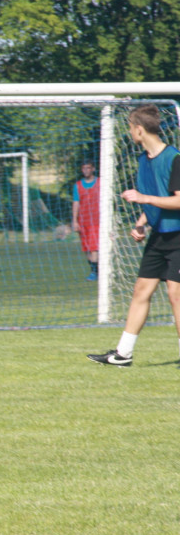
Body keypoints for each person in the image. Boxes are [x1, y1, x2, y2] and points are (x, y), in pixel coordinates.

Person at [88, 105, 180, 367]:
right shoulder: (143, 160)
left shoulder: (175, 158)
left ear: (139, 130)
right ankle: (123, 354)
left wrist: (143, 199)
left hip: (179, 238)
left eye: (130, 127)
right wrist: (142, 222)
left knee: (176, 295)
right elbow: (157, 199)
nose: (129, 132)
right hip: (159, 236)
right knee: (141, 290)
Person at [72, 161, 100, 281]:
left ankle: (94, 272)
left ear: (93, 169)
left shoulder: (100, 183)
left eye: (88, 168)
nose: (86, 170)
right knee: (86, 248)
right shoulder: (77, 186)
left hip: (97, 220)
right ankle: (96, 269)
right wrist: (74, 220)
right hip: (83, 221)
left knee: (94, 247)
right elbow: (76, 203)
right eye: (84, 168)